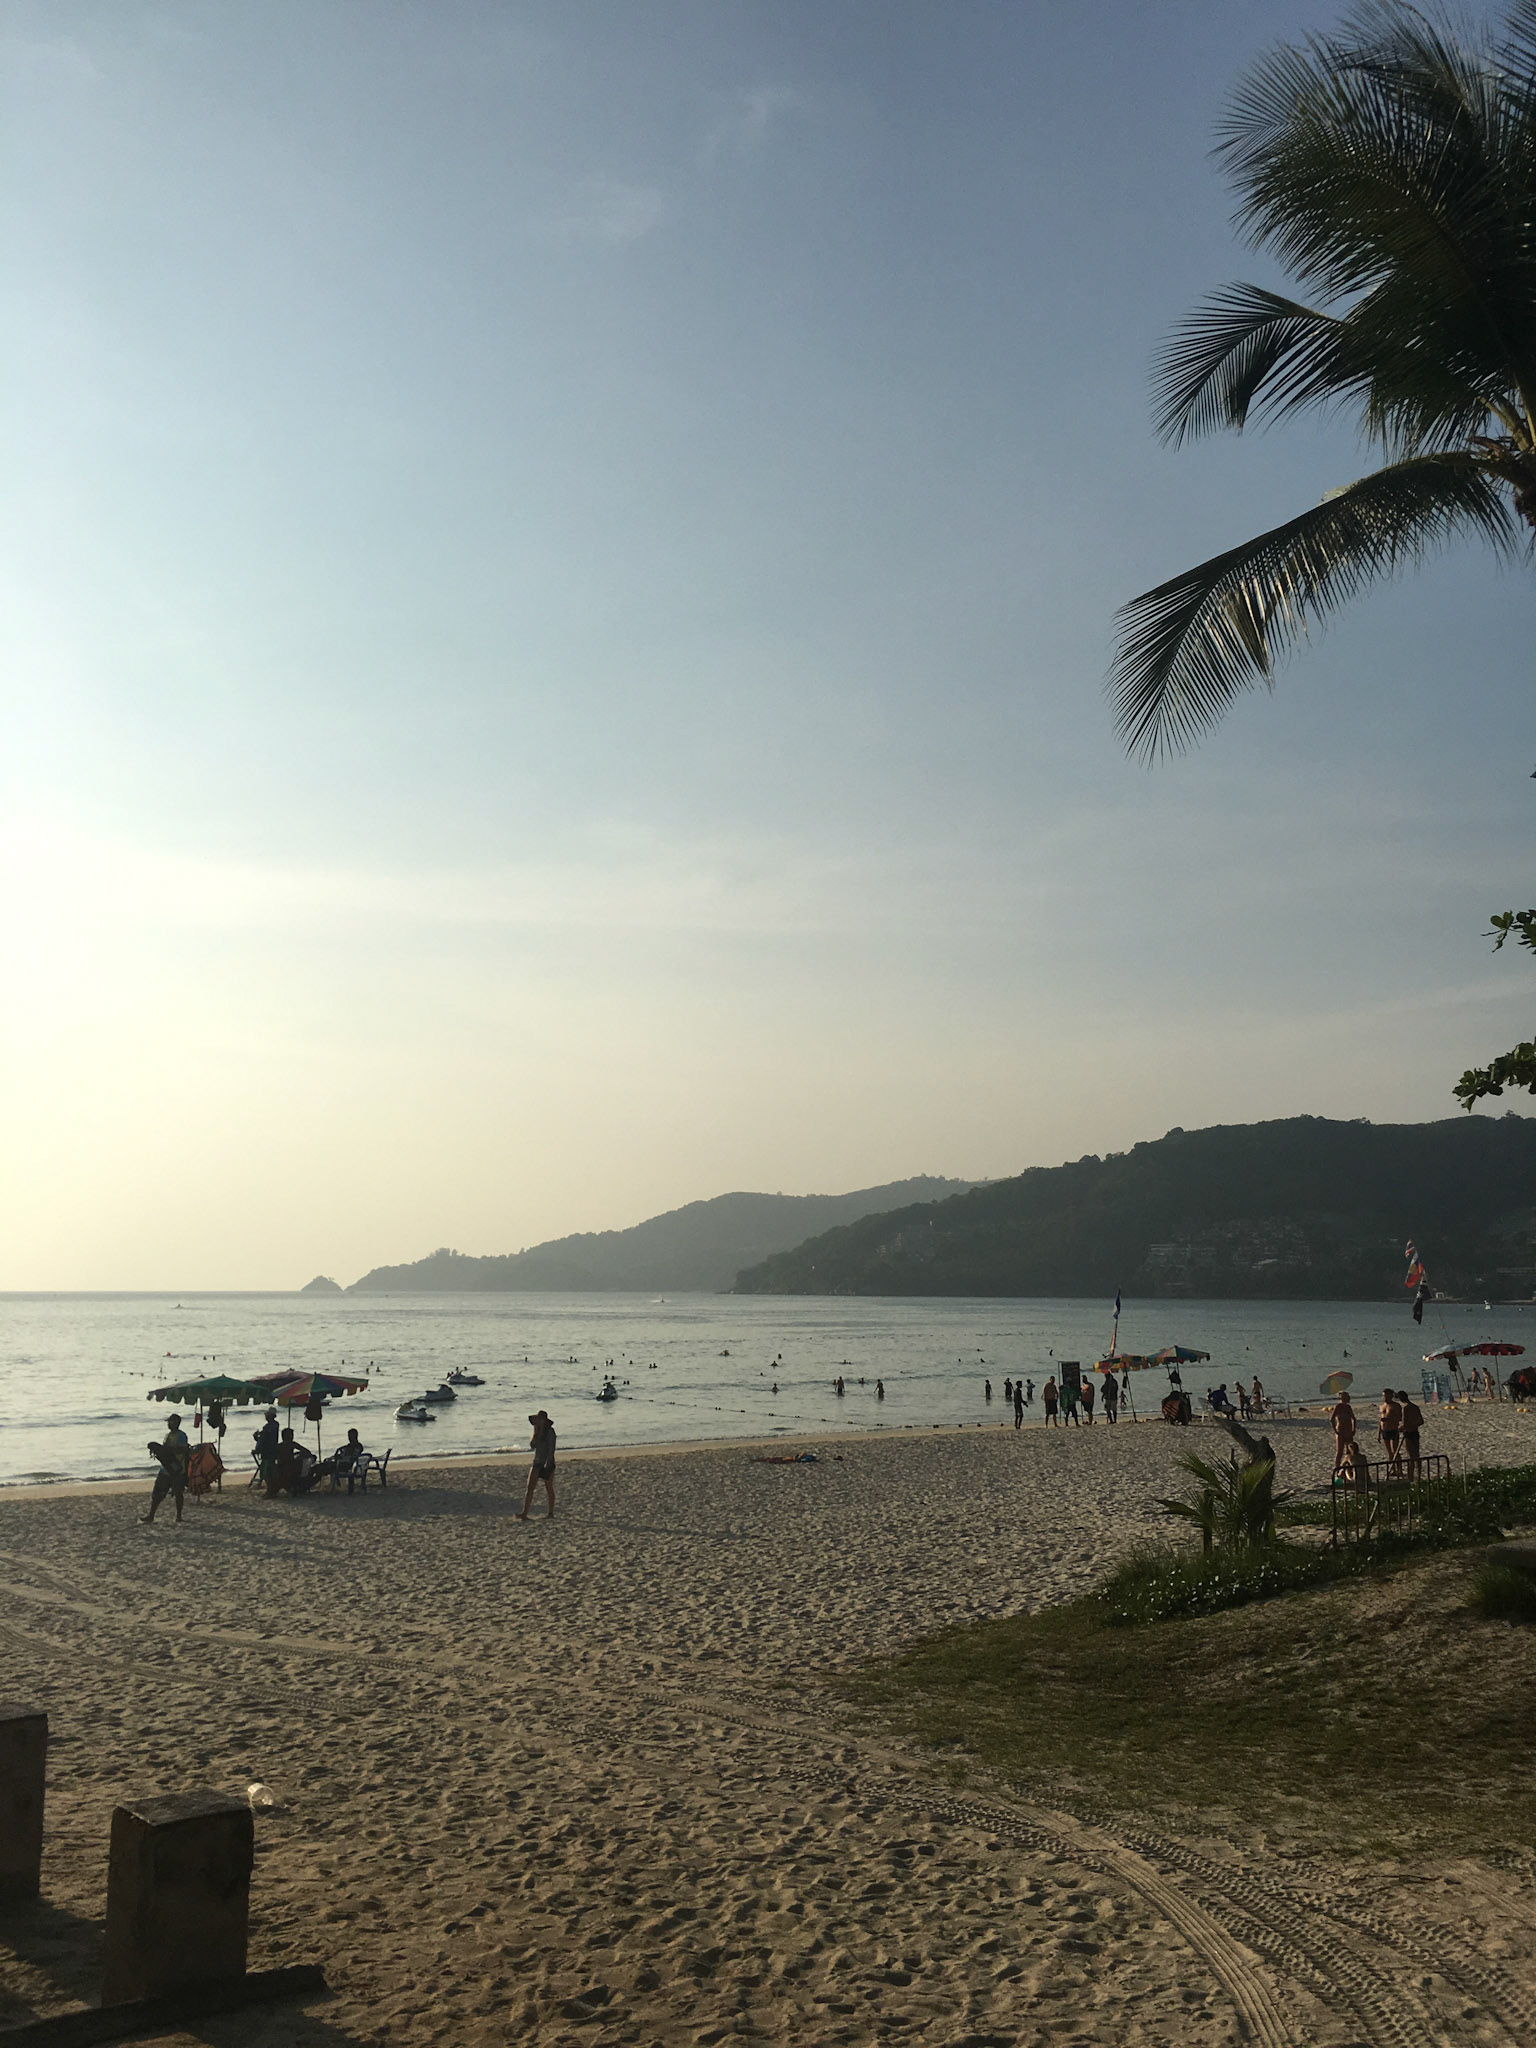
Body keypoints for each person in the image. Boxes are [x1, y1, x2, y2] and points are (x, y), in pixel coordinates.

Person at [141, 1414, 190, 1524]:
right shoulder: (167, 1435)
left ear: (176, 1423)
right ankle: (151, 1515)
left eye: (170, 1422)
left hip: (177, 1469)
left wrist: (168, 1450)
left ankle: (179, 1516)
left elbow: (183, 1450)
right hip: (165, 1469)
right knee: (157, 1493)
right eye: (168, 1422)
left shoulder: (181, 1436)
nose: (168, 1424)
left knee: (178, 1493)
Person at [518, 1410, 557, 1521]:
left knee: (549, 1488)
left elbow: (551, 1449)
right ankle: (524, 1513)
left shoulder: (550, 1432)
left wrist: (548, 1465)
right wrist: (536, 1433)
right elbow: (532, 1445)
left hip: (547, 1463)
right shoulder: (537, 1431)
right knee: (530, 1487)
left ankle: (550, 1512)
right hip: (537, 1462)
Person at [1398, 1389, 1425, 1478]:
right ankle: (1418, 1474)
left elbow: (1404, 1423)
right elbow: (1421, 1421)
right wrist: (1414, 1425)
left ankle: (1411, 1475)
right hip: (1415, 1432)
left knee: (1411, 1456)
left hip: (1408, 1433)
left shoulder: (1405, 1408)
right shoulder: (1415, 1407)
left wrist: (1399, 1428)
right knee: (1417, 1455)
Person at [1330, 1391, 1357, 1475]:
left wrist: (1353, 1429)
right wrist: (1335, 1430)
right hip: (1341, 1431)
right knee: (1339, 1452)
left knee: (1349, 1451)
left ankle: (1348, 1469)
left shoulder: (1348, 1407)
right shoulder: (1338, 1406)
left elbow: (1353, 1419)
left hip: (1348, 1431)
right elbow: (1332, 1419)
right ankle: (1337, 1470)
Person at [1377, 1388, 1403, 1473]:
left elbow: (1400, 1418)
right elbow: (1380, 1421)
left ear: (1391, 1396)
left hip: (1393, 1429)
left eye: (1386, 1396)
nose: (1384, 1398)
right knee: (1389, 1452)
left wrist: (1389, 1419)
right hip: (1384, 1430)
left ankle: (1399, 1469)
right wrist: (1378, 1433)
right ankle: (1393, 1469)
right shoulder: (1381, 1406)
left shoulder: (1395, 1405)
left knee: (1394, 1450)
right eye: (1383, 1396)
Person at [253, 1407, 280, 1486]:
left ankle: (270, 1485)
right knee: (268, 1468)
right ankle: (270, 1484)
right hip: (269, 1450)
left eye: (267, 1415)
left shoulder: (271, 1426)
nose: (266, 1416)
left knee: (267, 1469)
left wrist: (257, 1436)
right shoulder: (272, 1425)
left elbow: (264, 1438)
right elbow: (263, 1439)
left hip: (268, 1450)